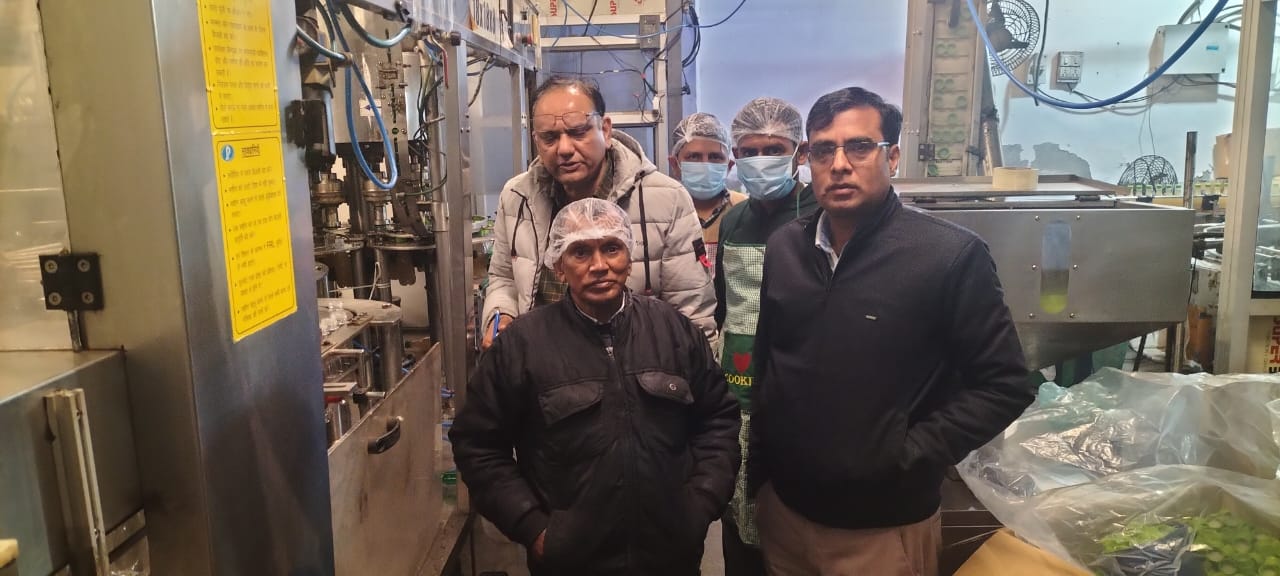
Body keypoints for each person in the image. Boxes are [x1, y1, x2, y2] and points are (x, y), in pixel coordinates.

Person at [748, 87, 1033, 576]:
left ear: (893, 157)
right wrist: (761, 478)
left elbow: (1004, 385)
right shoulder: (785, 248)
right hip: (787, 517)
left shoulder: (948, 256)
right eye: (823, 150)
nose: (839, 164)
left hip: (882, 530)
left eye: (859, 147)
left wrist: (906, 454)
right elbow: (769, 363)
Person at [451, 198, 741, 576]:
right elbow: (478, 445)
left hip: (672, 558)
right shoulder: (523, 345)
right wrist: (534, 527)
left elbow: (718, 420)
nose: (599, 265)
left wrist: (700, 504)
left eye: (611, 248)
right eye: (580, 252)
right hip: (570, 563)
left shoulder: (674, 331)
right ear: (558, 265)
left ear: (629, 258)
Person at [481, 76, 716, 351]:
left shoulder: (666, 199)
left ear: (605, 130)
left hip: (635, 368)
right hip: (542, 366)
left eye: (578, 132)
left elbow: (691, 314)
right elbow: (503, 277)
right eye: (550, 137)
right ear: (536, 140)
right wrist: (501, 315)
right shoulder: (517, 197)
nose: (564, 149)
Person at [713, 96, 819, 576]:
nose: (760, 160)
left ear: (800, 152)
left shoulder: (821, 213)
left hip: (799, 382)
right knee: (741, 511)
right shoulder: (735, 219)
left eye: (773, 149)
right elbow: (724, 303)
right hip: (739, 381)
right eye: (749, 151)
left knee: (792, 513)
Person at [668, 112, 747, 277]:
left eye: (715, 157)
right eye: (694, 157)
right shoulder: (663, 214)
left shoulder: (745, 210)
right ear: (675, 165)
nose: (705, 165)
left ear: (729, 166)